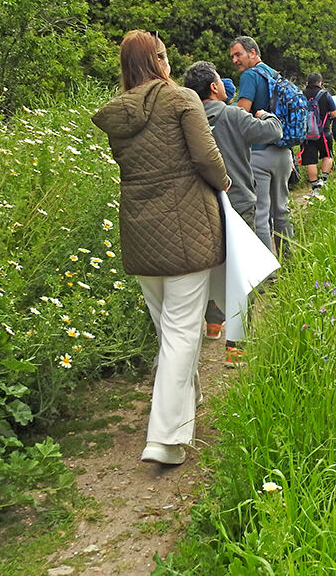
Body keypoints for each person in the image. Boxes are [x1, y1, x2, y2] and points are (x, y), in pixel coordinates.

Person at [92, 30, 231, 467]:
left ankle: (187, 399)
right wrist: (224, 182)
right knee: (182, 331)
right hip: (186, 225)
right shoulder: (182, 98)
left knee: (167, 328)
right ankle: (166, 438)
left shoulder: (117, 113)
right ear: (159, 59)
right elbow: (206, 157)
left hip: (139, 229)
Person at [183, 60, 282, 348]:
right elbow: (273, 132)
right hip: (238, 203)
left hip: (199, 206)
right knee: (240, 272)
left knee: (209, 266)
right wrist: (265, 114)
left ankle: (213, 323)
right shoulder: (232, 115)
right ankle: (236, 347)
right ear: (214, 87)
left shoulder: (185, 119)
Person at [230, 36, 292, 256]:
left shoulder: (250, 75)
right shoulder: (274, 74)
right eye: (233, 56)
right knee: (282, 210)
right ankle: (291, 262)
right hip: (283, 151)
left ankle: (268, 271)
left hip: (260, 153)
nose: (235, 60)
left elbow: (240, 115)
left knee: (261, 214)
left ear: (253, 53)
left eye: (238, 54)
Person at [301, 72, 336, 191]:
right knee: (327, 155)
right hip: (323, 132)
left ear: (307, 83)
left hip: (307, 134)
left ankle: (314, 188)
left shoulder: (301, 95)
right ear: (320, 83)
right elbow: (334, 113)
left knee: (310, 161)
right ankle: (323, 180)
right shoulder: (325, 95)